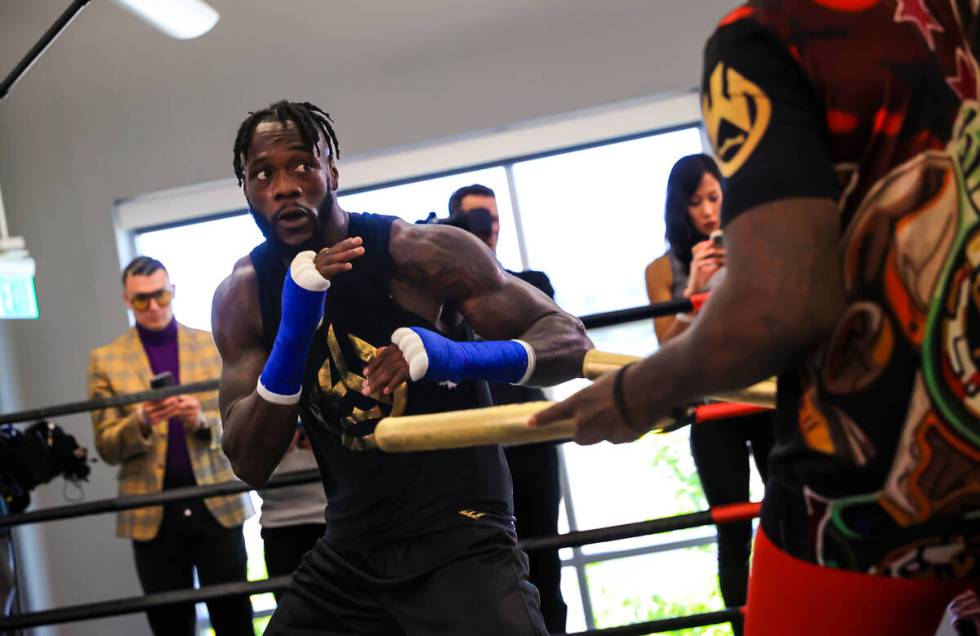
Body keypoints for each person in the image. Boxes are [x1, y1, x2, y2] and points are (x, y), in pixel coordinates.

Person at [534, 1, 980, 633]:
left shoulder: (770, 35)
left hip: (879, 466)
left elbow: (780, 303)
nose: (710, 208)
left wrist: (636, 394)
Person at [212, 100, 592, 635]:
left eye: (302, 164)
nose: (285, 186)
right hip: (351, 550)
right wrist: (294, 333)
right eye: (262, 173)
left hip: (461, 537)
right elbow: (248, 460)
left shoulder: (416, 254)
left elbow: (569, 338)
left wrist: (456, 356)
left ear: (332, 172)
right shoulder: (245, 295)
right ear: (248, 190)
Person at [88, 257, 254, 636]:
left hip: (216, 502)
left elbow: (240, 421)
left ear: (173, 292)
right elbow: (106, 445)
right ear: (126, 300)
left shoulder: (210, 343)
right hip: (151, 512)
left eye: (160, 295)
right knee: (169, 624)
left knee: (234, 618)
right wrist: (142, 421)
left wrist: (200, 420)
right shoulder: (105, 360)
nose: (154, 307)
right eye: (142, 299)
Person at [644, 154, 773, 634]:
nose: (707, 210)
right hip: (711, 407)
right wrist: (695, 288)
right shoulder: (662, 268)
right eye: (695, 201)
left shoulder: (754, 245)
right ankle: (745, 629)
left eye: (714, 197)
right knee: (733, 527)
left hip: (764, 396)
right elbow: (666, 345)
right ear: (680, 207)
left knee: (787, 515)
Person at [448, 183, 568, 633]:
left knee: (545, 567)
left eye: (494, 219)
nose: (489, 229)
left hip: (532, 442)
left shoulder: (530, 286)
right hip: (476, 453)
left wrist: (485, 274)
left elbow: (558, 347)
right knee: (487, 576)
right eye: (476, 221)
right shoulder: (440, 300)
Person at [258, 423, 327, 597]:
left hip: (331, 517)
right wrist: (277, 449)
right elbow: (244, 472)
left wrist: (324, 443)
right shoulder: (258, 406)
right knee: (289, 604)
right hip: (278, 524)